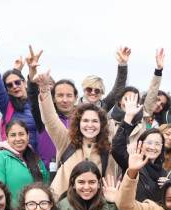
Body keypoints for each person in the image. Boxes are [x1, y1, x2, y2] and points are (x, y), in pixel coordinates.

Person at [33, 70, 119, 198]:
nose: (90, 125)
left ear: (101, 125)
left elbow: (110, 182)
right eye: (85, 120)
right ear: (78, 123)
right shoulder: (66, 141)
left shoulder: (106, 149)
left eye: (95, 121)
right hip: (63, 207)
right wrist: (45, 90)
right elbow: (50, 119)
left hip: (94, 209)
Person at [0, 31, 38, 149]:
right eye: (10, 85)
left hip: (42, 160)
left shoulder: (37, 103)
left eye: (17, 82)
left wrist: (31, 70)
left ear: (24, 83)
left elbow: (35, 88)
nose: (15, 86)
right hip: (17, 158)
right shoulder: (8, 106)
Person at [24, 45, 76, 168]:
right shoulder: (44, 118)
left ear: (75, 97)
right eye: (60, 95)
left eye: (69, 95)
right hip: (46, 173)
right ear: (53, 97)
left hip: (76, 174)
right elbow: (33, 96)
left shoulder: (82, 120)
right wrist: (32, 72)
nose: (64, 100)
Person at [0, 119, 49, 206]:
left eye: (21, 134)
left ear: (28, 136)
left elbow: (46, 186)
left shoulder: (36, 159)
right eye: (13, 135)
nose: (18, 139)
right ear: (7, 138)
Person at [112, 120, 166, 202]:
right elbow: (117, 148)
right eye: (149, 142)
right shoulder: (132, 163)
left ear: (162, 148)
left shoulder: (164, 173)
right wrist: (127, 120)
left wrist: (169, 186)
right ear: (140, 144)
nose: (153, 147)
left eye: (157, 144)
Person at [77, 46, 130, 112]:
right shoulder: (74, 109)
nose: (93, 92)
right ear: (84, 90)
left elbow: (118, 89)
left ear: (102, 92)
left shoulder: (105, 106)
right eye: (89, 89)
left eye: (97, 90)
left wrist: (122, 64)